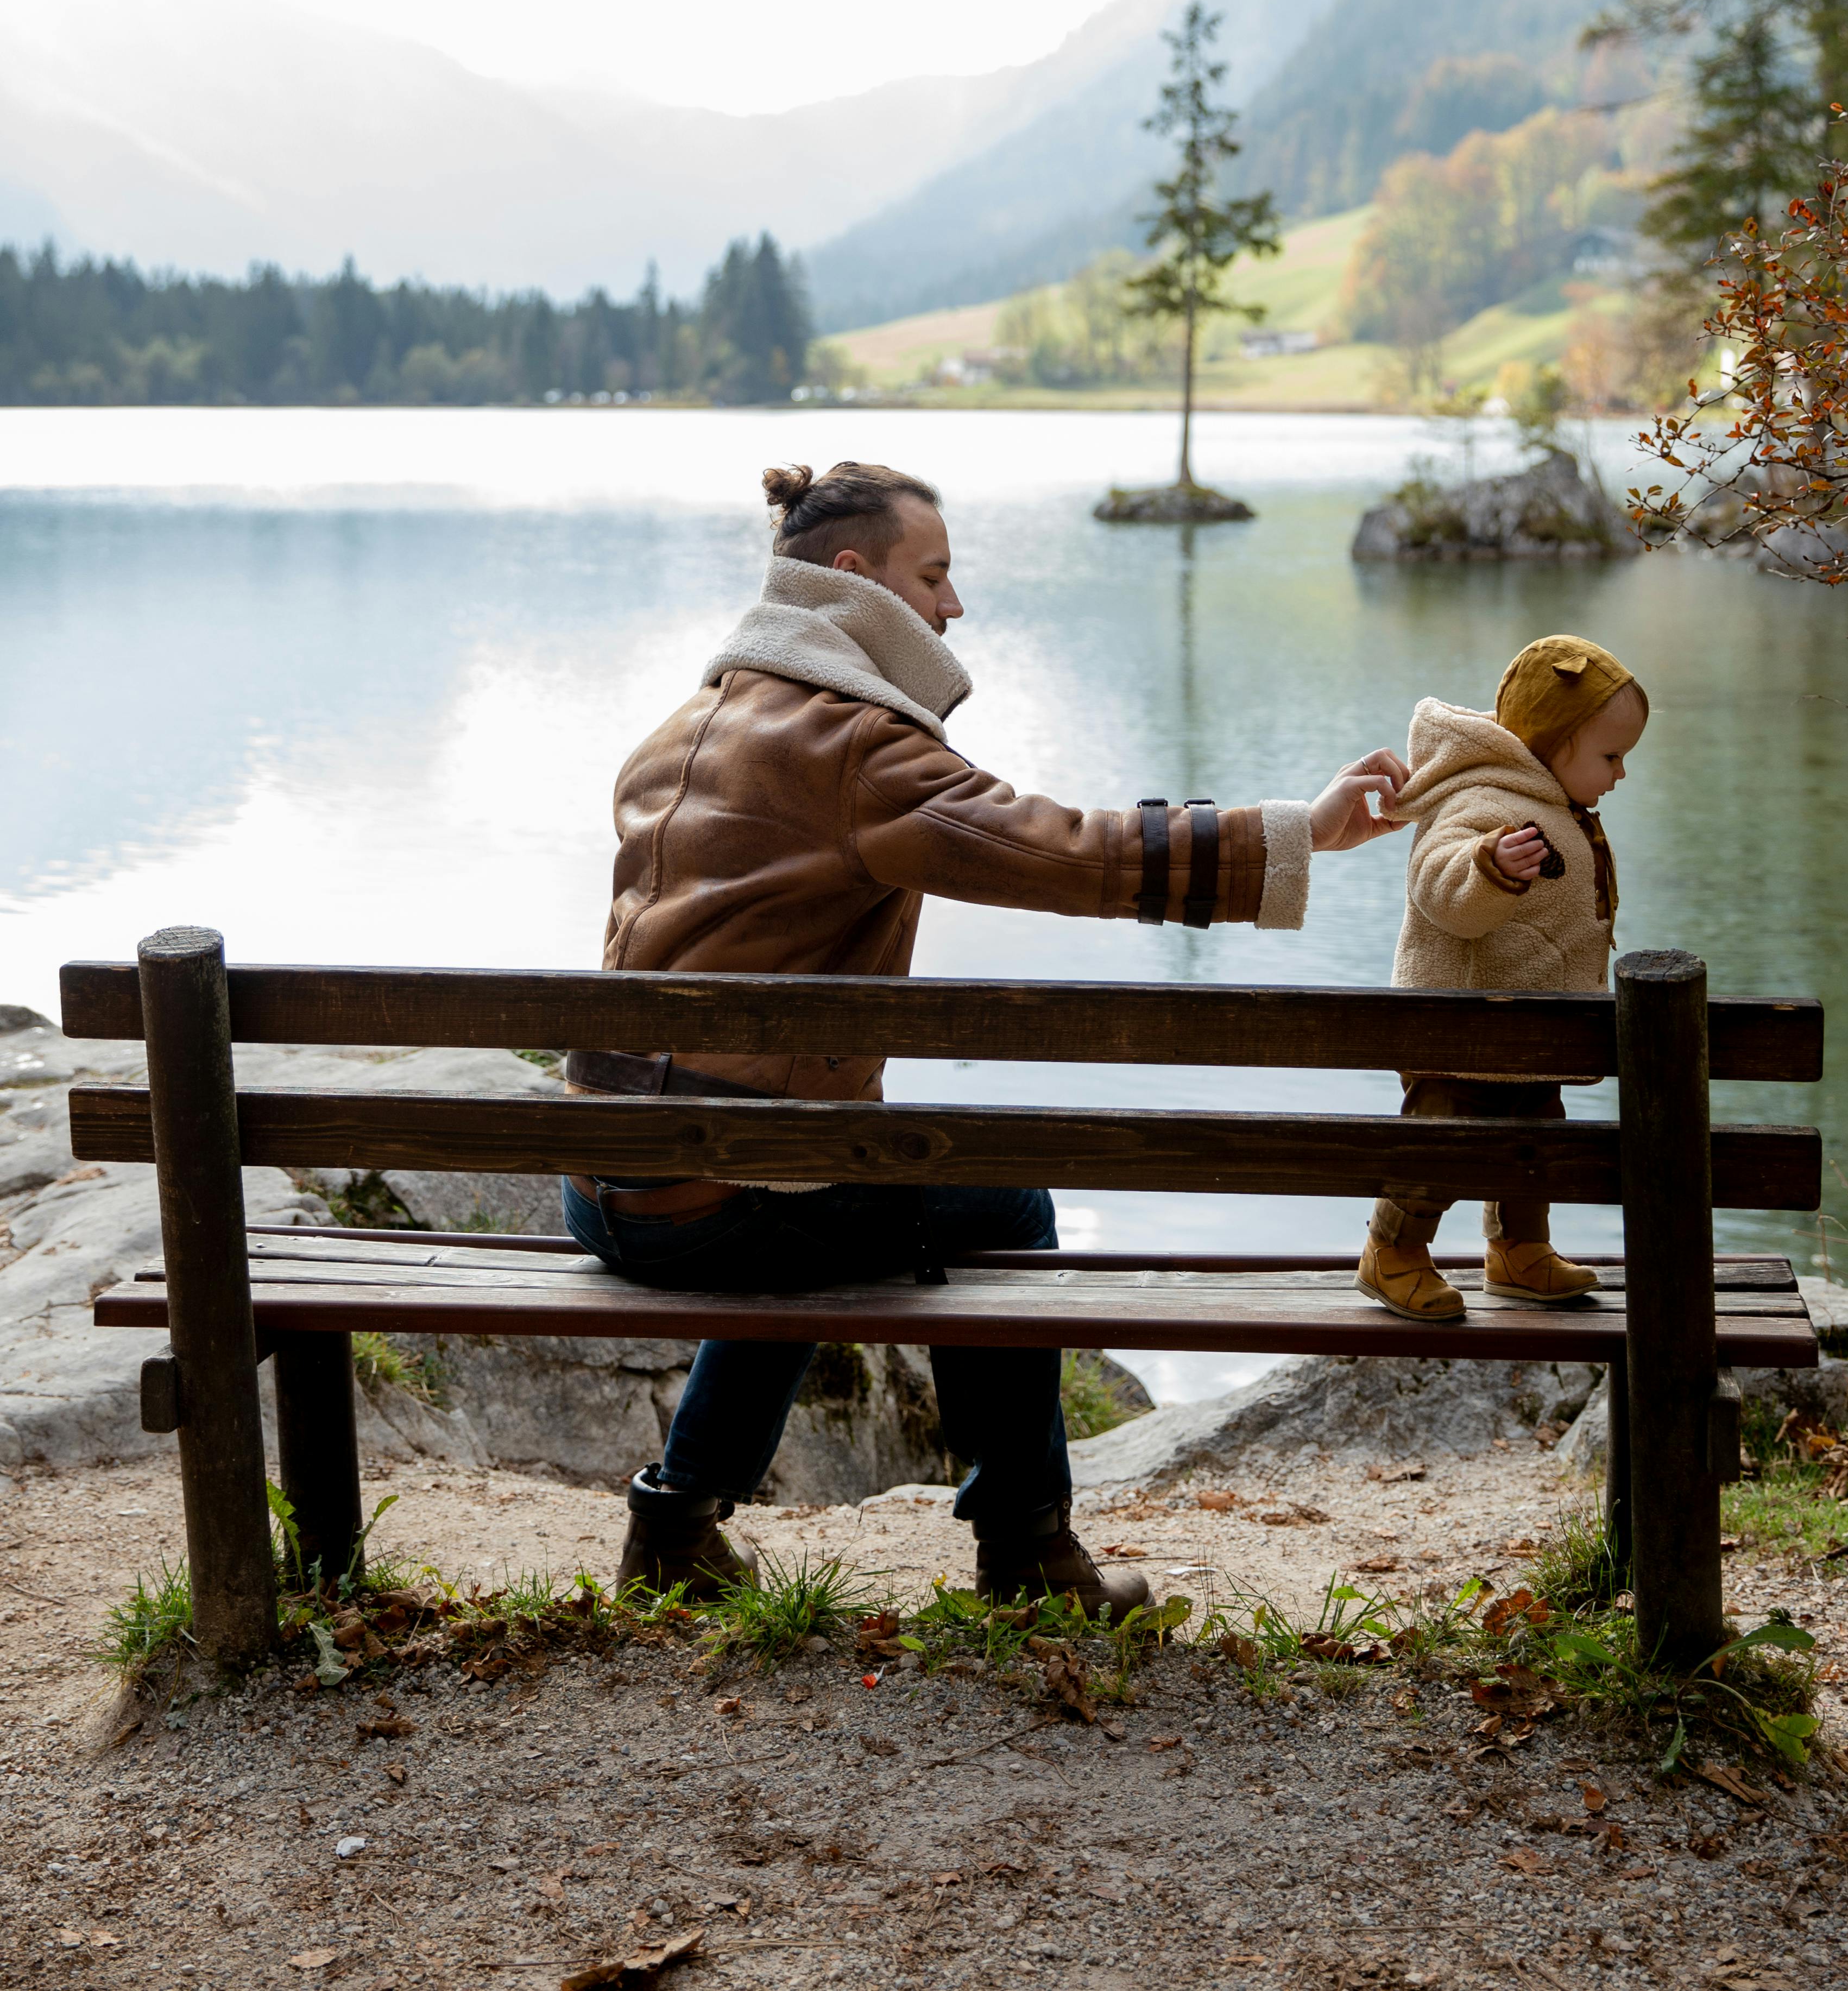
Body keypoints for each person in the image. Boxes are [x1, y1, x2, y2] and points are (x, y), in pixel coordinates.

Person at [565, 457, 1410, 1610]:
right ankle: (1027, 1553)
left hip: (608, 1183)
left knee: (817, 1189)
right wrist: (1292, 835)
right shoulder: (850, 745)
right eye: (935, 573)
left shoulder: (682, 727)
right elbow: (1067, 849)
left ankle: (674, 1527)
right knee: (995, 1202)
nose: (952, 605)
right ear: (852, 575)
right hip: (710, 1205)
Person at [1354, 634, 1649, 1328]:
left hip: (1527, 1027)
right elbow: (1437, 886)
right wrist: (1487, 867)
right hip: (1464, 1029)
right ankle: (1392, 1250)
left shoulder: (1550, 803)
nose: (1621, 774)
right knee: (1443, 1137)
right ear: (1556, 742)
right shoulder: (1483, 800)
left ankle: (1519, 1251)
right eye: (1611, 756)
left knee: (1534, 1141)